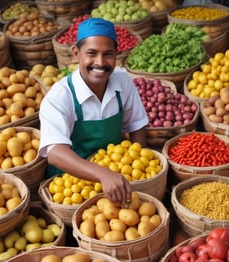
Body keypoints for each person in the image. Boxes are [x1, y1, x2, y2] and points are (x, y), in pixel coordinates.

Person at [38, 17, 149, 206]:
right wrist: (102, 174)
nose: (100, 62)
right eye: (91, 53)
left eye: (108, 54)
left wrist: (140, 163)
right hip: (73, 184)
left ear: (116, 55)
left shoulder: (122, 81)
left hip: (116, 172)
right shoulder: (60, 97)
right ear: (76, 54)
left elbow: (136, 125)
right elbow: (55, 152)